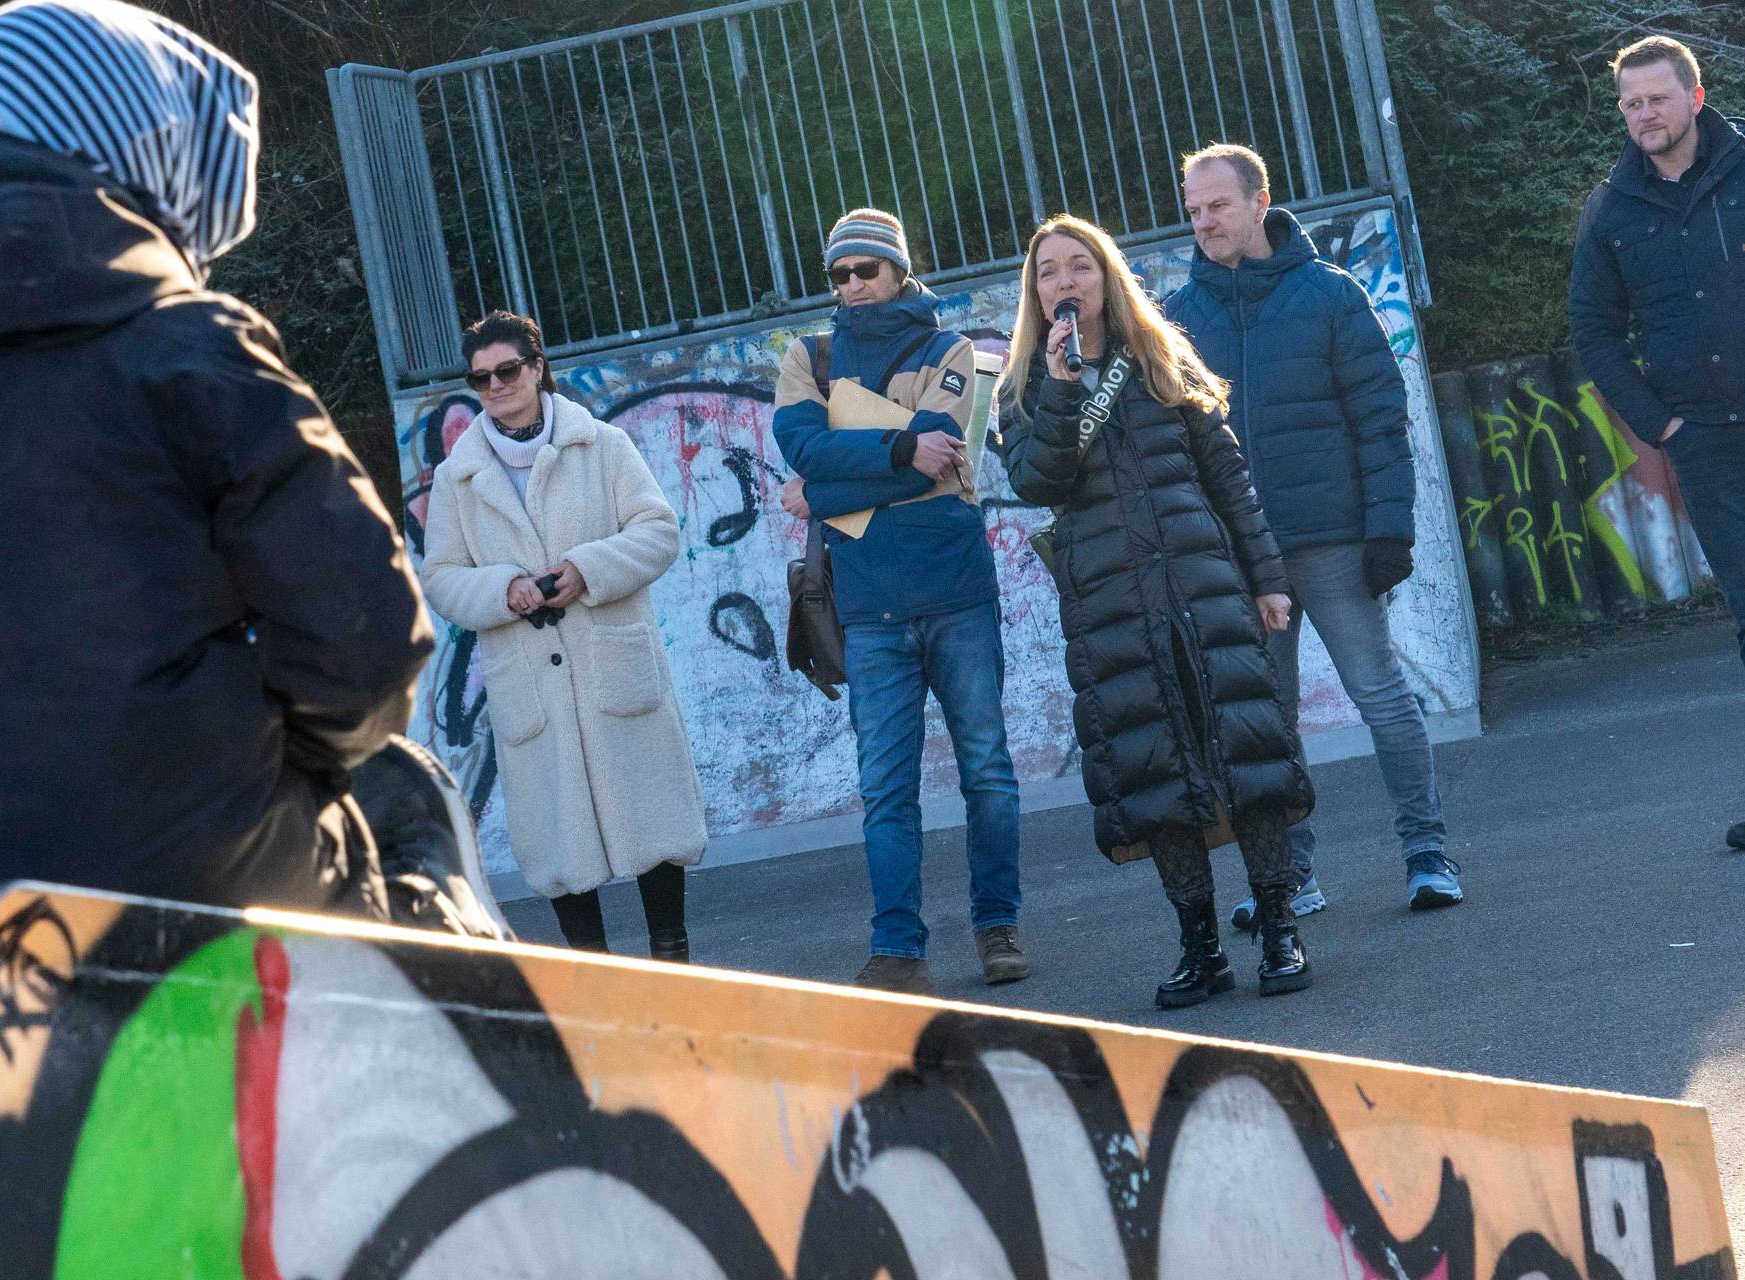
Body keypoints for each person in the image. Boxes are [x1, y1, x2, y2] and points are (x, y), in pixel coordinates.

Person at [0, 0, 446, 919]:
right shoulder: (188, 350)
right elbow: (365, 643)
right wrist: (278, 756)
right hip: (193, 865)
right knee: (407, 814)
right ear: (135, 160)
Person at [998, 215, 1316, 1008]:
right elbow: (1037, 483)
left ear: (1107, 278)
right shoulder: (1021, 389)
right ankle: (1199, 945)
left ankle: (1279, 924)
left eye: (1079, 267)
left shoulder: (1162, 359)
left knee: (1247, 754)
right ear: (1035, 294)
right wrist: (1065, 389)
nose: (1064, 282)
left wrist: (1267, 578)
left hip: (1203, 585)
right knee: (1155, 773)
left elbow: (1227, 478)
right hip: (1112, 605)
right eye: (1048, 273)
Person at [1167, 144, 1461, 924]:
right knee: (1268, 723)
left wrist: (1389, 530)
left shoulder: (1330, 294)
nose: (1204, 221)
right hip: (1240, 559)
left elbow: (1379, 419)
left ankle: (1427, 854)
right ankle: (1293, 879)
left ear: (1259, 201)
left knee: (1382, 697)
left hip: (1332, 541)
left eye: (1217, 205)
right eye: (1193, 210)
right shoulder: (1177, 317)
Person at [1569, 36, 1745, 850]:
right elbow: (1593, 330)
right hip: (1707, 441)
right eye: (1629, 103)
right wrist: (1660, 425)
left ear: (1694, 95)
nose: (1643, 114)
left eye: (1656, 98)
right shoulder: (1612, 209)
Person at [769, 209, 1026, 994]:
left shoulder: (949, 350)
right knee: (885, 787)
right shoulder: (807, 357)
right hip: (869, 606)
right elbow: (808, 447)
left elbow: (936, 465)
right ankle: (897, 948)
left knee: (986, 771)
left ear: (898, 271)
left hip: (956, 596)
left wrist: (820, 492)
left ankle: (997, 928)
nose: (851, 287)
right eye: (839, 275)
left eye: (865, 271)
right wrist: (894, 446)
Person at [416, 312, 705, 960]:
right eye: (480, 377)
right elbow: (439, 577)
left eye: (508, 370)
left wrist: (587, 569)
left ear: (538, 366)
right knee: (559, 840)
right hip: (530, 682)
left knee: (652, 817)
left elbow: (659, 531)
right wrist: (504, 590)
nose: (495, 385)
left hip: (613, 663)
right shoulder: (457, 479)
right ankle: (595, 981)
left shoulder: (601, 446)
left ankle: (674, 961)